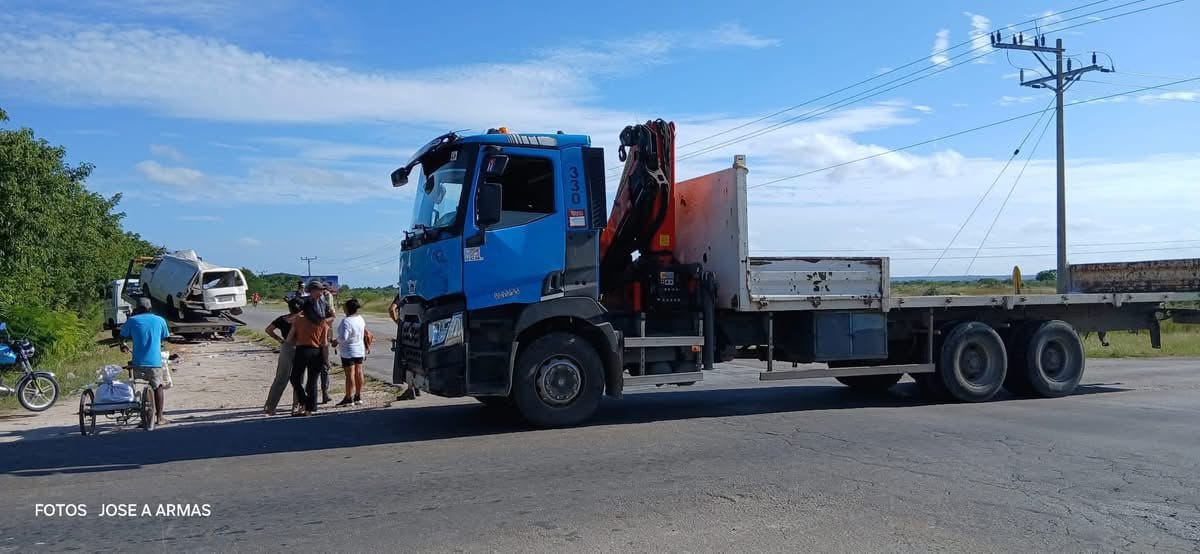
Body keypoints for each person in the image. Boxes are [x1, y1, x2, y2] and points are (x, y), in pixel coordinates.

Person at [119, 297, 172, 426]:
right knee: (158, 387)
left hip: (138, 362)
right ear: (150, 308)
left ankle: (144, 419)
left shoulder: (132, 321)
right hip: (154, 362)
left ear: (137, 308)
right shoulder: (160, 320)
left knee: (140, 389)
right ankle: (159, 417)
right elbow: (165, 337)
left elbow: (122, 337)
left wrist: (123, 345)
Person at [287, 284, 333, 416]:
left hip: (302, 350)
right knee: (312, 381)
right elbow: (324, 343)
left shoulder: (298, 320)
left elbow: (290, 338)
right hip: (317, 352)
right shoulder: (323, 323)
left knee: (295, 378)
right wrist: (326, 359)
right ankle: (310, 409)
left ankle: (303, 401)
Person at [263, 299, 302, 415]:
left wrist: (280, 340)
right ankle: (296, 405)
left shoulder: (283, 319)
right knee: (299, 379)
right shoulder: (303, 319)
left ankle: (270, 406)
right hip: (300, 347)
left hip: (287, 347)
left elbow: (268, 330)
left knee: (280, 378)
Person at [335, 299, 369, 406]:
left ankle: (348, 397)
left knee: (350, 374)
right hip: (359, 349)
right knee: (359, 372)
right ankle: (358, 396)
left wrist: (336, 341)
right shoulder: (360, 319)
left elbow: (344, 337)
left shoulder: (346, 321)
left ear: (348, 308)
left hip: (348, 351)